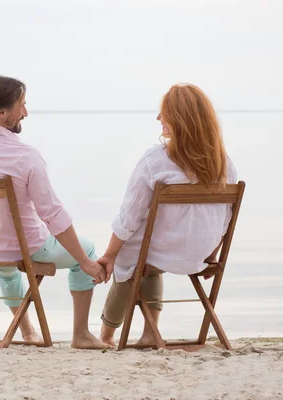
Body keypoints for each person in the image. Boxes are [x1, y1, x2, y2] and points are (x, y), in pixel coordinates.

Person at [0, 75, 109, 349]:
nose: (26, 112)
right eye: (22, 105)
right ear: (1, 112)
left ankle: (28, 331)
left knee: (5, 262)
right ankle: (81, 335)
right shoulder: (25, 156)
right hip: (29, 250)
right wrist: (87, 262)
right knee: (87, 250)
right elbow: (53, 215)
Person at [97, 83, 238, 347]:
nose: (158, 118)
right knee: (144, 254)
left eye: (164, 113)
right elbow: (225, 220)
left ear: (181, 119)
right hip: (200, 254)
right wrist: (211, 254)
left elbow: (129, 217)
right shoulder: (224, 163)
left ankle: (106, 335)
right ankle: (151, 333)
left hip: (162, 251)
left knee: (128, 255)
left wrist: (109, 255)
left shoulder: (156, 160)